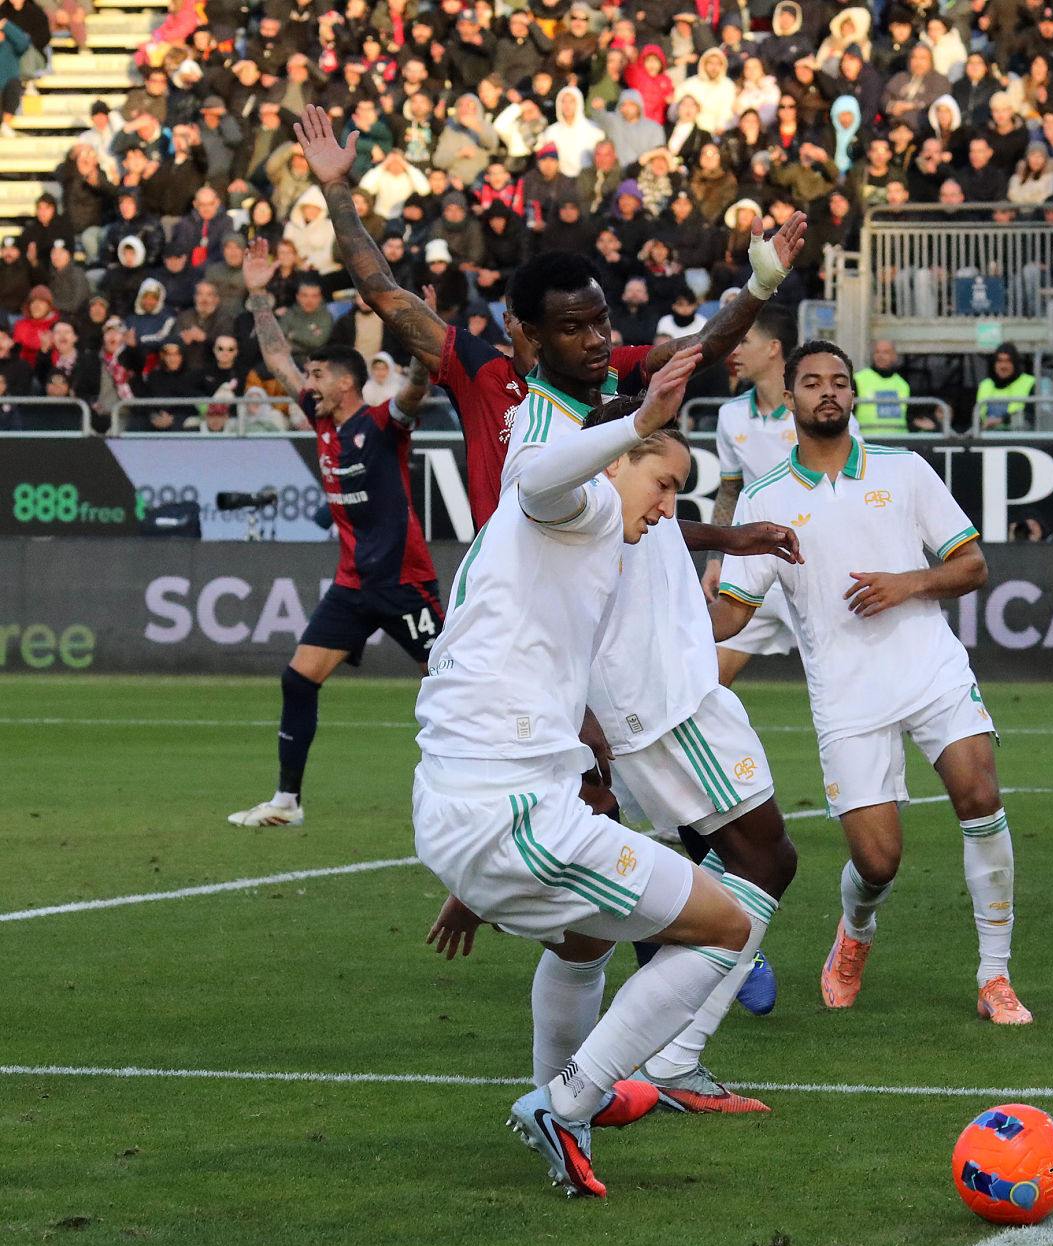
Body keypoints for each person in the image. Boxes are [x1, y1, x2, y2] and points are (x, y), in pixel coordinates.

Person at [414, 301, 781, 1197]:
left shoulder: (563, 556)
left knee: (586, 937)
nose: (667, 507)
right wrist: (638, 417)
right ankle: (571, 1099)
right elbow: (544, 474)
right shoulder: (556, 504)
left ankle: (562, 1099)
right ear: (614, 461)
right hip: (509, 813)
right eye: (663, 485)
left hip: (477, 807)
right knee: (727, 925)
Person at [714, 341, 1029, 1025]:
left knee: (980, 796)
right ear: (789, 400)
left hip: (930, 668)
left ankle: (995, 974)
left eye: (839, 381)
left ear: (854, 395)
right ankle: (855, 930)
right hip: (846, 693)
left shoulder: (904, 469)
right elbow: (731, 613)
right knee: (878, 861)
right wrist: (657, 612)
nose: (828, 391)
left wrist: (907, 582)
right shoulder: (765, 500)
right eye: (812, 382)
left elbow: (972, 566)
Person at [294, 105, 788, 525]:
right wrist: (335, 187)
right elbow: (382, 292)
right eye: (572, 326)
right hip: (510, 586)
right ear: (520, 325)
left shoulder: (610, 369)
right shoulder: (479, 371)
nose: (596, 339)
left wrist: (758, 287)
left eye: (599, 321)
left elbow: (701, 347)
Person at [227, 242, 439, 829]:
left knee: (454, 686)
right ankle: (287, 802)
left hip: (403, 583)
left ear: (347, 384)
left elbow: (415, 390)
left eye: (318, 375)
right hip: (353, 585)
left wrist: (424, 339)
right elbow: (277, 357)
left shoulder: (382, 424)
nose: (307, 382)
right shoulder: (322, 421)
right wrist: (258, 293)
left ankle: (513, 785)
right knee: (298, 680)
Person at [702, 305, 860, 688]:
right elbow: (730, 489)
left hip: (813, 563)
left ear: (773, 348)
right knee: (704, 680)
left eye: (744, 341)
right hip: (756, 565)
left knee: (848, 678)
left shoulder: (825, 413)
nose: (734, 351)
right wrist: (715, 559)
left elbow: (851, 488)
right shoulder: (731, 416)